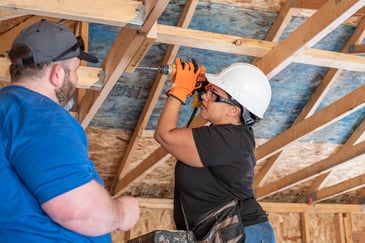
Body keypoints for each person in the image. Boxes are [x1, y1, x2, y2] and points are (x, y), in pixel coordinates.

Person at [0, 20, 140, 242]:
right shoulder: (40, 114)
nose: (75, 80)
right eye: (74, 70)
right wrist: (122, 212)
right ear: (57, 74)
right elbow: (79, 212)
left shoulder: (9, 109)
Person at [154, 58, 276, 242]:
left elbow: (165, 135)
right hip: (228, 232)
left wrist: (180, 90)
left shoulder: (230, 140)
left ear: (233, 111)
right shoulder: (228, 136)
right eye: (208, 91)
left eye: (213, 94)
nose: (204, 96)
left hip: (241, 232)